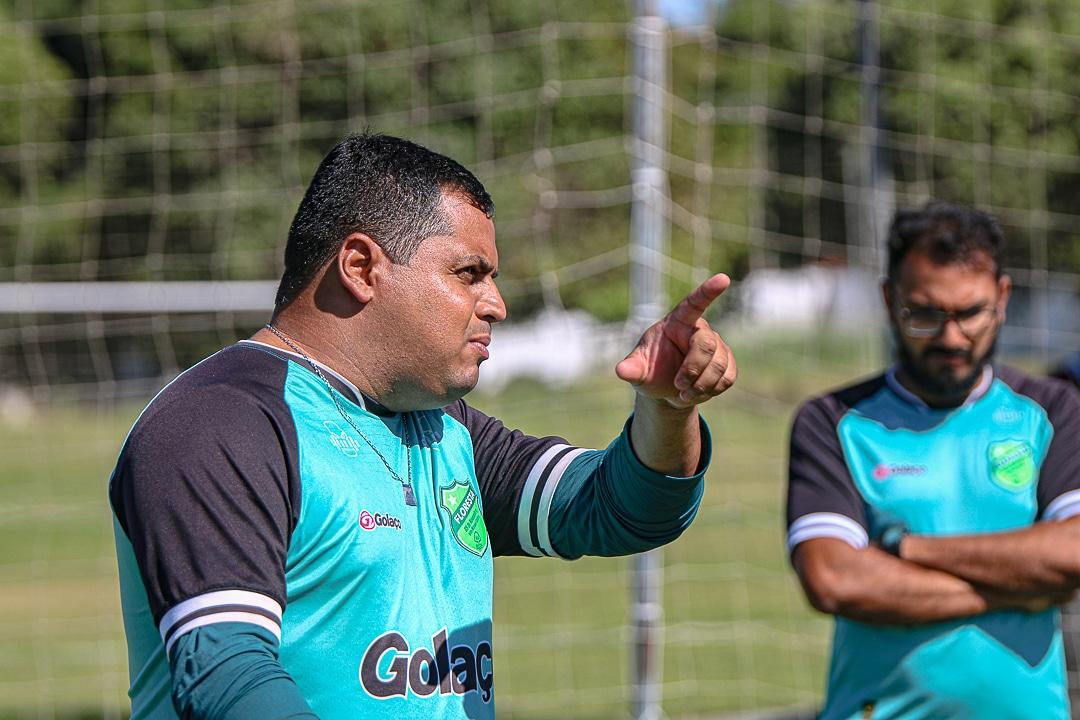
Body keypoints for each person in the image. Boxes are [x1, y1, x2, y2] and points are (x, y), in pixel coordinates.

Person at [109, 133, 736, 719]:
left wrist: (667, 408)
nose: (496, 304)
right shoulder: (220, 422)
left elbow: (623, 509)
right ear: (361, 267)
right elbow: (228, 680)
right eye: (469, 274)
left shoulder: (442, 430)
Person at [785, 201, 1080, 720]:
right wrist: (1021, 586)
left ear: (1003, 298)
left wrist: (907, 548)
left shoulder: (1053, 410)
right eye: (924, 313)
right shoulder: (831, 421)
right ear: (887, 299)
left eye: (970, 313)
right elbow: (835, 579)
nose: (951, 337)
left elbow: (1074, 553)